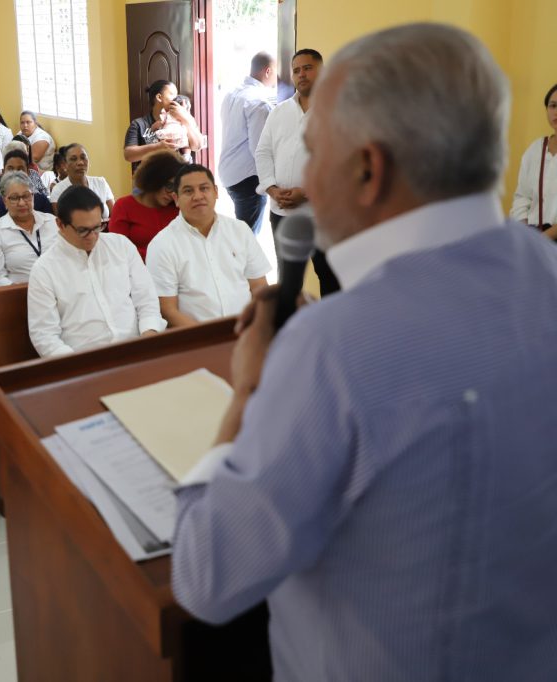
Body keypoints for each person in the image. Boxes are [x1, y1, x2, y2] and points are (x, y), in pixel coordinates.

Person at [172, 23, 557, 681]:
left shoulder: (334, 348)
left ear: (368, 167)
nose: (305, 178)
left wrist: (246, 393)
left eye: (315, 151)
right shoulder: (544, 269)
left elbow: (208, 576)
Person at [27, 185, 164, 357]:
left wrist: (149, 335)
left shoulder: (120, 246)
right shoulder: (45, 269)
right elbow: (45, 336)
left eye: (98, 227)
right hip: (83, 361)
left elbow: (146, 299)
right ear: (60, 224)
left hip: (136, 348)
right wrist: (80, 367)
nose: (92, 236)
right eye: (83, 230)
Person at [256, 48, 339, 294]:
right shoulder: (279, 112)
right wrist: (272, 189)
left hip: (321, 214)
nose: (301, 74)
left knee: (330, 276)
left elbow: (343, 163)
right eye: (296, 70)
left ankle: (328, 330)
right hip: (281, 213)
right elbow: (263, 152)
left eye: (308, 68)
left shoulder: (337, 113)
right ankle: (291, 330)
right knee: (288, 281)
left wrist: (308, 193)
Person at [146, 164, 269, 327]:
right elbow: (167, 309)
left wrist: (256, 328)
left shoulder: (240, 230)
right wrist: (209, 338)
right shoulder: (162, 244)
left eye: (204, 188)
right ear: (176, 199)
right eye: (188, 191)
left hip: (247, 331)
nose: (198, 196)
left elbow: (259, 288)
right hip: (197, 341)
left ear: (216, 192)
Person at [219, 52, 277, 234]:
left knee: (242, 232)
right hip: (248, 178)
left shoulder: (232, 93)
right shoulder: (259, 103)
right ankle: (238, 262)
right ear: (268, 71)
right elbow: (259, 150)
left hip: (228, 171)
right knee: (248, 239)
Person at [0, 171, 59, 287]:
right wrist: (26, 292)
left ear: (33, 196)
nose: (22, 202)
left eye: (26, 196)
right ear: (4, 201)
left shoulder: (52, 222)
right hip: (20, 297)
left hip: (60, 289)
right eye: (14, 198)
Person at [109, 150, 184, 260]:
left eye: (177, 189)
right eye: (169, 186)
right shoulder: (124, 206)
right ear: (155, 179)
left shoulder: (177, 208)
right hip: (135, 272)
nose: (173, 194)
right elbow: (117, 250)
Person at [123, 80, 202, 172]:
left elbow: (197, 146)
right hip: (149, 181)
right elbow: (129, 155)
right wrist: (158, 147)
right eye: (172, 94)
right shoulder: (138, 124)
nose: (176, 98)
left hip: (180, 179)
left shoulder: (186, 119)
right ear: (159, 97)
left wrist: (185, 118)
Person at [511, 83, 557, 238]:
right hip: (531, 235)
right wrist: (525, 233)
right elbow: (522, 196)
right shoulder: (535, 150)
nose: (556, 111)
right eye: (553, 106)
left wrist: (540, 241)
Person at [48, 144, 115, 219]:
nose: (80, 163)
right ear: (66, 165)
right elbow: (63, 223)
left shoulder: (101, 182)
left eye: (83, 158)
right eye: (73, 159)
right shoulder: (58, 190)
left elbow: (115, 216)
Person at [0, 149, 53, 217]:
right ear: (3, 171)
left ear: (28, 172)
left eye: (20, 169)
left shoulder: (41, 201)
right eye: (10, 169)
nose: (15, 173)